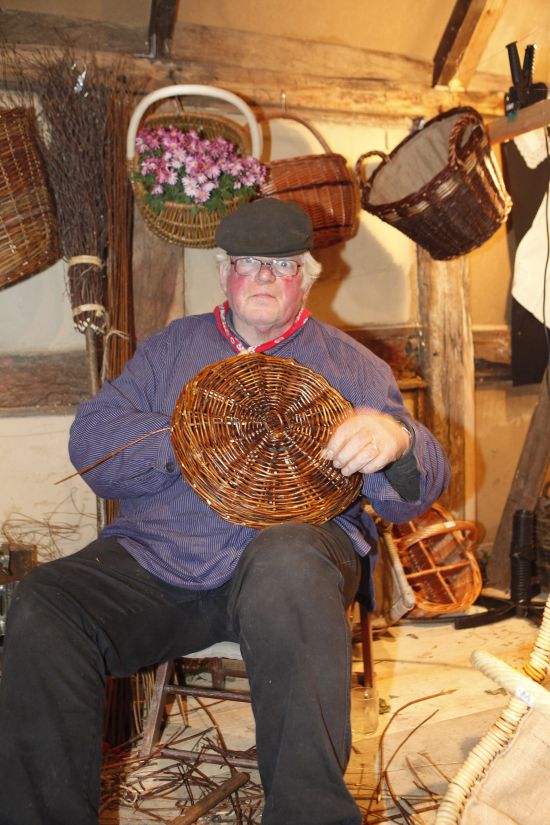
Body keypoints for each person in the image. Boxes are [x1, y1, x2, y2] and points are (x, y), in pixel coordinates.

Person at [0, 198, 450, 825]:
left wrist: (395, 437)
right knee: (45, 603)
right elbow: (92, 443)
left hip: (293, 568)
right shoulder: (172, 348)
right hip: (164, 556)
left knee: (288, 560)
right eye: (248, 263)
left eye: (282, 265)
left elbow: (416, 493)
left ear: (306, 279)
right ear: (224, 273)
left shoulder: (350, 364)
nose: (264, 277)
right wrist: (187, 435)